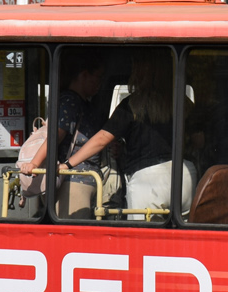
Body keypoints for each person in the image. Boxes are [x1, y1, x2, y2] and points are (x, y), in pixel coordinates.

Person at [64, 53, 195, 218]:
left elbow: (102, 139)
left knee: (143, 239)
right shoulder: (184, 103)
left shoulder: (132, 105)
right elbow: (198, 139)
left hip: (147, 181)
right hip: (184, 175)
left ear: (141, 73)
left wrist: (67, 165)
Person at [23, 51, 104, 215]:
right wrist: (35, 164)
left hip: (83, 177)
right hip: (72, 179)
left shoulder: (82, 103)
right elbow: (55, 136)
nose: (99, 84)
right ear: (84, 75)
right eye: (97, 77)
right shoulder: (70, 101)